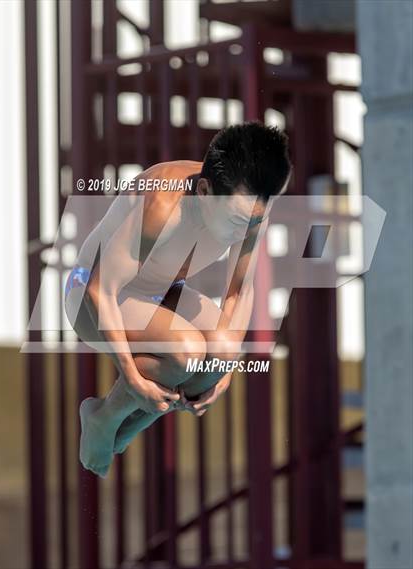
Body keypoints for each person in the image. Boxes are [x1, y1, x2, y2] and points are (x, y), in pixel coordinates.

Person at [65, 121, 291, 477]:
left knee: (218, 356)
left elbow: (238, 290)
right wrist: (133, 379)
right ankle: (102, 417)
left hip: (161, 294)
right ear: (203, 190)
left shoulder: (250, 210)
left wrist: (225, 369)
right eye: (234, 220)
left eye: (252, 222)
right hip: (89, 299)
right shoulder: (162, 206)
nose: (242, 232)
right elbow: (100, 290)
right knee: (186, 354)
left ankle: (129, 423)